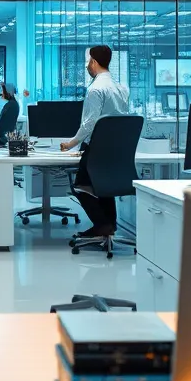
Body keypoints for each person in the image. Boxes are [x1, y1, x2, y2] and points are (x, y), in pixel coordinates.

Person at [60, 45, 130, 239]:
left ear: (93, 62)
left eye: (87, 62)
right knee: (105, 186)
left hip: (98, 149)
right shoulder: (121, 88)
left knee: (80, 186)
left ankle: (102, 225)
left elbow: (89, 124)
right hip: (117, 149)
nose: (86, 67)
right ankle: (110, 227)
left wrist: (71, 143)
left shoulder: (95, 89)